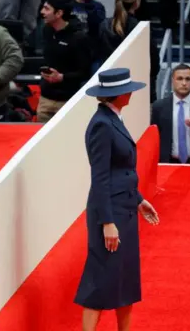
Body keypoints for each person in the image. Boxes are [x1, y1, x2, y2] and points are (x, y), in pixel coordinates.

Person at [74, 68, 160, 331]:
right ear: (120, 94)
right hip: (110, 213)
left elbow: (120, 171)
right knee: (100, 282)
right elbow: (100, 177)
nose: (132, 92)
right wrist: (107, 222)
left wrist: (138, 199)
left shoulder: (113, 119)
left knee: (125, 280)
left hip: (125, 209)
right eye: (129, 89)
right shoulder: (102, 124)